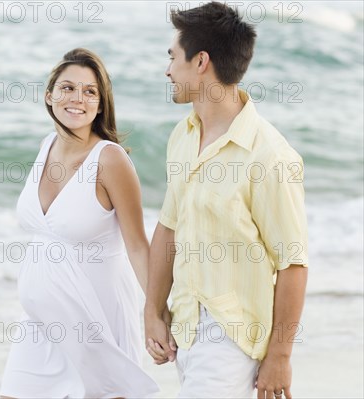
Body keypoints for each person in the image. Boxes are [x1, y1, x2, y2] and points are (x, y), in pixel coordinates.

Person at [144, 2, 308, 399]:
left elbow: (293, 264)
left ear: (200, 62)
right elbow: (168, 229)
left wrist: (280, 357)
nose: (167, 70)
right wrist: (152, 311)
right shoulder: (182, 136)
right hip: (185, 327)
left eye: (172, 57)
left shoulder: (269, 156)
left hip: (232, 338)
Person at [0, 48, 159, 398]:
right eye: (68, 88)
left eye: (90, 92)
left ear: (101, 105)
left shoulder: (110, 160)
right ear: (49, 95)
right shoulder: (46, 146)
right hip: (39, 325)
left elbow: (136, 244)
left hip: (95, 322)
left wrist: (156, 313)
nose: (77, 99)